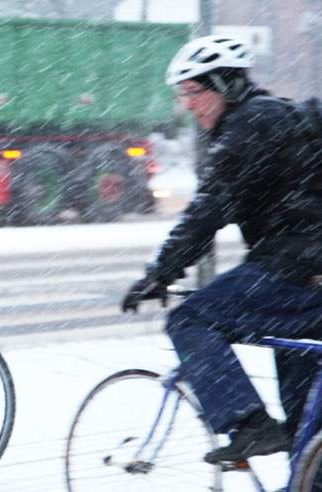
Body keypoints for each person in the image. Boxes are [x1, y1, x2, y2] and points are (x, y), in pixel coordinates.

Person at [121, 35, 322, 464]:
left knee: (190, 318)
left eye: (193, 92)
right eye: (183, 95)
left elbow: (210, 209)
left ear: (225, 86)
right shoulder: (279, 117)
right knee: (307, 428)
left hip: (296, 270)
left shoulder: (249, 125)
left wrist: (160, 273)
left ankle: (247, 423)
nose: (187, 104)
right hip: (308, 273)